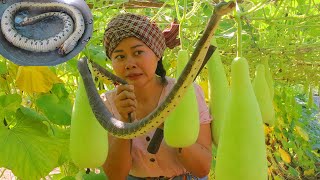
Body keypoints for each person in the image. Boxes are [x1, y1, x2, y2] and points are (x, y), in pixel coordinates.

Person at [101, 13, 213, 180]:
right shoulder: (108, 103)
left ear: (157, 54)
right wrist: (124, 123)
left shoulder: (187, 93)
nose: (130, 63)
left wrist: (175, 130)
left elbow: (202, 168)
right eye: (120, 56)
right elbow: (116, 175)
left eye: (138, 52)